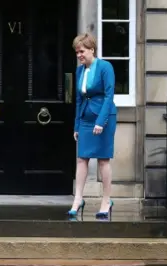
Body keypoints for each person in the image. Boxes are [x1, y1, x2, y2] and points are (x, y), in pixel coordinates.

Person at [68, 32, 118, 220]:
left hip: (103, 118)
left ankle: (106, 201)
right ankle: (78, 199)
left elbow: (109, 95)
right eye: (77, 52)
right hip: (86, 120)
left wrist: (101, 121)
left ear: (91, 49)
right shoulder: (80, 70)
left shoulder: (105, 67)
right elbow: (79, 100)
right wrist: (76, 125)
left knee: (103, 160)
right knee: (82, 159)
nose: (79, 55)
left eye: (81, 51)